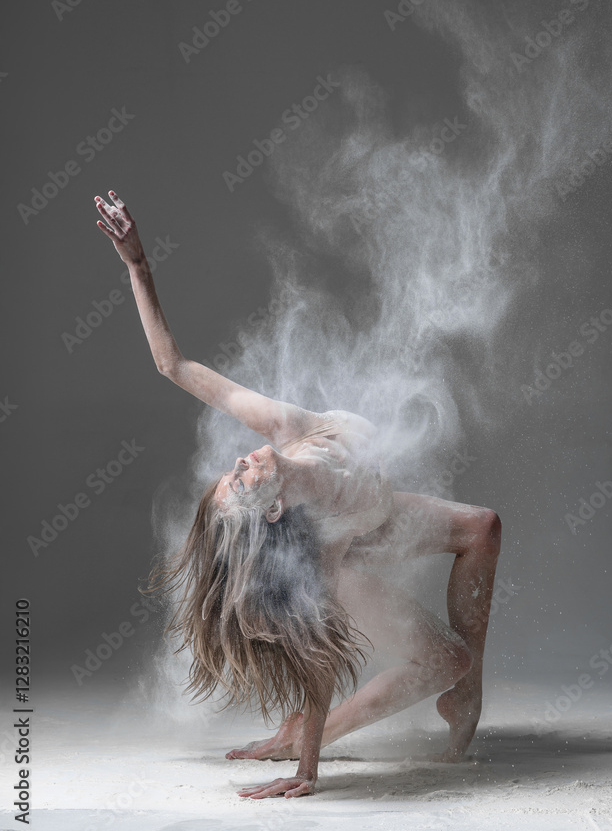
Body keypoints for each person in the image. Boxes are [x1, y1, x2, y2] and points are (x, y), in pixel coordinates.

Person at [94, 190, 502, 799]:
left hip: (378, 517)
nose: (239, 463)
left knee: (484, 528)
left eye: (230, 473)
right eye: (241, 482)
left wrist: (137, 264)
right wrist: (308, 767)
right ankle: (320, 731)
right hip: (354, 539)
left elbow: (173, 365)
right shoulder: (321, 543)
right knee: (448, 661)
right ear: (274, 508)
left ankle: (467, 692)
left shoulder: (284, 429)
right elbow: (318, 655)